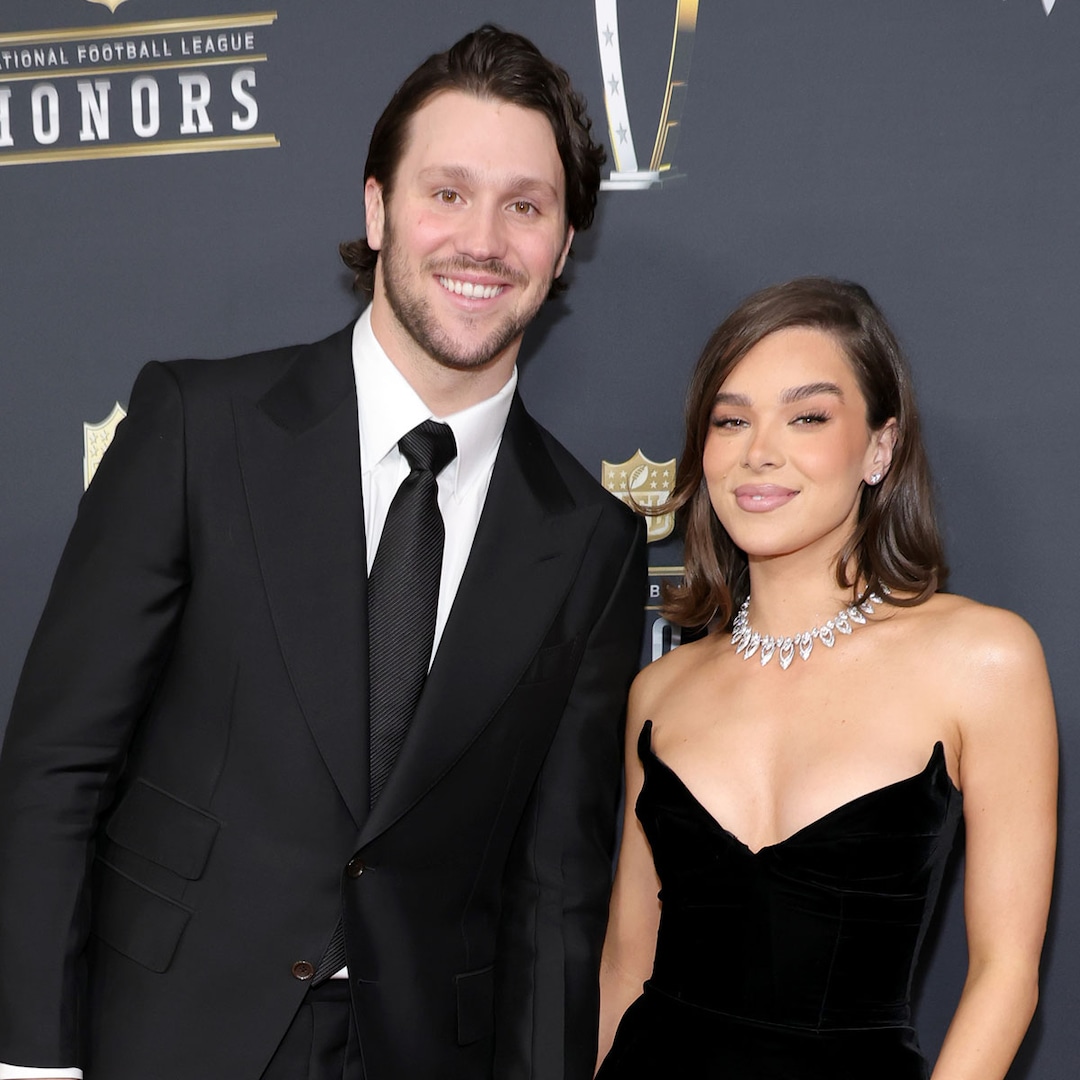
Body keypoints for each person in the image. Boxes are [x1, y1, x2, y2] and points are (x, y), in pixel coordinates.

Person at [0, 25, 646, 1080]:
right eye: (447, 193)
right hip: (165, 1034)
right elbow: (59, 764)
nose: (482, 240)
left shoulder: (592, 542)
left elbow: (555, 890)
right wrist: (30, 1059)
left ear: (564, 243)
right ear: (378, 209)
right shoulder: (200, 426)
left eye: (525, 206)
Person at [595, 278, 1056, 1079]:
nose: (759, 451)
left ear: (880, 448)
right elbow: (624, 968)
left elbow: (1005, 974)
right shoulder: (660, 691)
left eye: (807, 417)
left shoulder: (984, 660)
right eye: (730, 420)